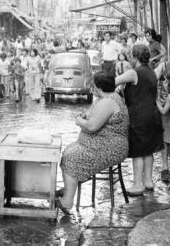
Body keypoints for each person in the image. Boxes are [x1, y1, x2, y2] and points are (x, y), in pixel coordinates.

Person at [57, 71, 129, 213]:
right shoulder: (105, 98)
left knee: (71, 156)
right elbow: (95, 115)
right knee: (69, 150)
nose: (92, 86)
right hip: (102, 144)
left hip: (110, 148)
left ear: (98, 86)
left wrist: (80, 121)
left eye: (93, 84)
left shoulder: (108, 102)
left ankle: (67, 201)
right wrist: (86, 115)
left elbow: (91, 127)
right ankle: (69, 188)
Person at [116, 44, 163, 195]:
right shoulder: (151, 71)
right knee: (148, 150)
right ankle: (148, 182)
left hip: (139, 116)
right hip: (153, 115)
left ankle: (137, 185)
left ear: (134, 57)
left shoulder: (133, 73)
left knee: (138, 151)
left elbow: (114, 81)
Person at [155, 60, 170, 181]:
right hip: (163, 104)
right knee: (165, 137)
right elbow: (154, 79)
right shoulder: (163, 66)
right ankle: (165, 167)